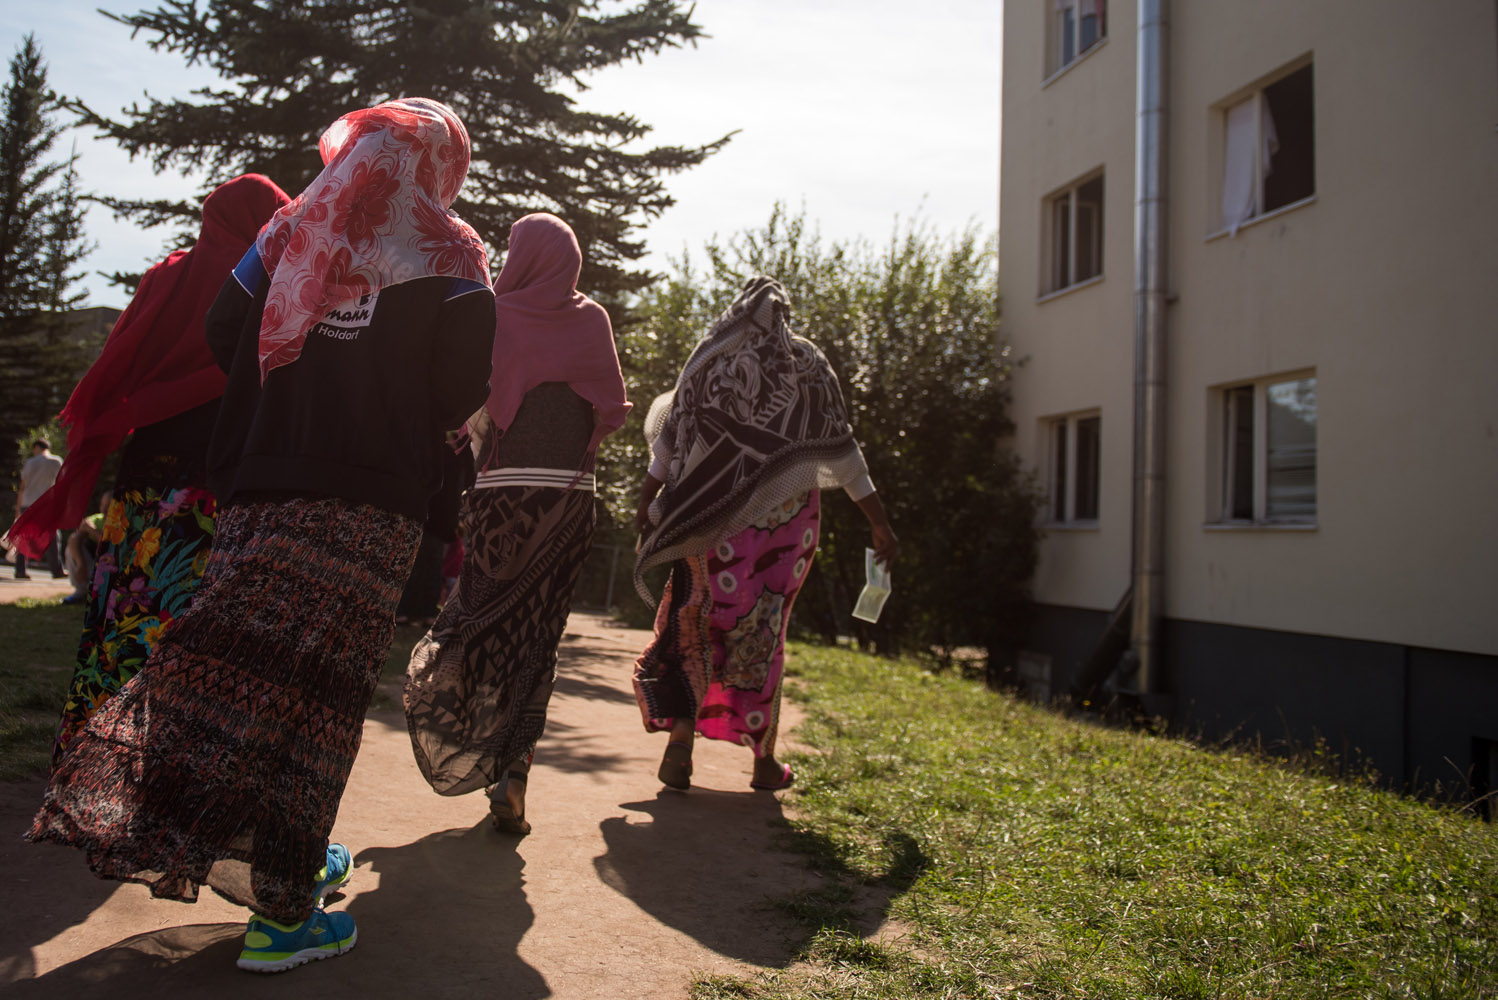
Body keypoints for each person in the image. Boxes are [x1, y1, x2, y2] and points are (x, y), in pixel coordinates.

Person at [28, 97, 495, 976]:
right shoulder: (454, 251)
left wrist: (281, 386)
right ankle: (284, 907)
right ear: (443, 161)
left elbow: (220, 328)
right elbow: (461, 384)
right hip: (372, 505)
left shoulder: (287, 231)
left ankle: (264, 848)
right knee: (317, 690)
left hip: (258, 485)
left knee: (237, 658)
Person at [10, 174, 292, 760]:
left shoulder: (168, 275)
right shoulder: (269, 284)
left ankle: (91, 756)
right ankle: (173, 763)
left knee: (124, 614)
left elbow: (120, 361)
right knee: (198, 628)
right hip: (219, 481)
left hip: (142, 481)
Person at [404, 212, 630, 836]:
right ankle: (515, 774)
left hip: (503, 501)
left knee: (475, 621)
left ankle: (455, 730)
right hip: (569, 506)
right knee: (539, 637)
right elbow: (610, 409)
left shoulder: (495, 315)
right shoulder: (591, 319)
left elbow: (472, 412)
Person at [632, 276, 899, 792]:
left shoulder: (710, 361)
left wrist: (648, 499)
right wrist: (879, 521)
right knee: (765, 630)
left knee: (697, 623)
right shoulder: (809, 365)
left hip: (708, 522)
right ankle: (763, 762)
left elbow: (670, 439)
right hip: (786, 531)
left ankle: (681, 740)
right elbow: (846, 455)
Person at [12, 440, 65, 578]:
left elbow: (22, 488)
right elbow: (61, 484)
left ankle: (20, 570)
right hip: (45, 504)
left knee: (24, 538)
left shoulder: (30, 462)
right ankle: (57, 570)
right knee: (52, 537)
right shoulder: (56, 461)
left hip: (28, 503)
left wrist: (18, 509)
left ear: (37, 447)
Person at [60, 493, 108, 605]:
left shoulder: (122, 522)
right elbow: (73, 539)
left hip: (109, 567)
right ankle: (82, 591)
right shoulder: (95, 520)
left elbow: (109, 543)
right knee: (71, 548)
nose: (105, 509)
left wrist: (92, 531)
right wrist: (80, 563)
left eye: (109, 505)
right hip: (93, 564)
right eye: (103, 505)